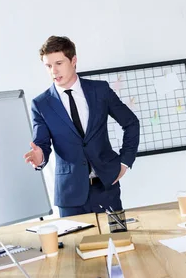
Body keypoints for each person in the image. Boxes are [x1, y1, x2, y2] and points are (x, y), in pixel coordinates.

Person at [24, 36, 140, 217]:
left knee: (118, 244)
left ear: (73, 60)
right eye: (48, 66)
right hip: (70, 197)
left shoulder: (100, 90)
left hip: (107, 189)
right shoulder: (41, 104)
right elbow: (42, 146)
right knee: (75, 246)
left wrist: (125, 162)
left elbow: (131, 123)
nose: (53, 70)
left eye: (59, 63)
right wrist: (40, 159)